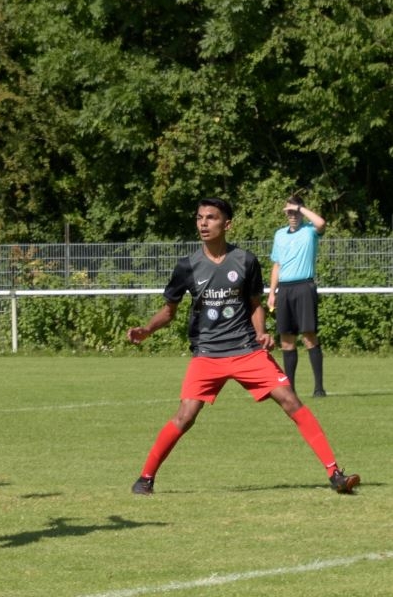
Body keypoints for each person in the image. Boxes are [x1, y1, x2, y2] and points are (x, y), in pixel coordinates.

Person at [126, 197, 359, 495]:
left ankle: (335, 474)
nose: (203, 223)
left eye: (211, 217)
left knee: (290, 400)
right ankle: (145, 478)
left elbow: (254, 305)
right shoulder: (187, 266)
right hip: (208, 354)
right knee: (184, 416)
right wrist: (147, 329)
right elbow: (169, 311)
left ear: (227, 224)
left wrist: (262, 334)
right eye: (200, 217)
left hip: (246, 349)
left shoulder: (246, 261)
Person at [267, 196, 328, 397]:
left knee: (309, 335)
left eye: (295, 212)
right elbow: (277, 265)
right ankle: (290, 389)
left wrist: (301, 208)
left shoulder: (310, 231)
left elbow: (321, 223)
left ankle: (318, 388)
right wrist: (272, 292)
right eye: (289, 212)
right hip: (284, 290)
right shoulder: (279, 235)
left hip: (304, 287)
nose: (292, 216)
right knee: (286, 338)